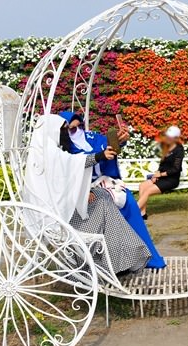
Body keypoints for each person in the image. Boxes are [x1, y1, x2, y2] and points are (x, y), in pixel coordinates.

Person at [23, 114, 152, 274]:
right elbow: (75, 163)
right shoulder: (48, 153)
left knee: (103, 197)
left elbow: (68, 173)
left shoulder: (48, 151)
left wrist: (85, 190)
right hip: (58, 218)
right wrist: (100, 156)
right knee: (105, 203)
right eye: (64, 129)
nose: (67, 133)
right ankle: (121, 259)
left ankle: (120, 259)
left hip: (64, 207)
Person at [58, 111, 166, 269]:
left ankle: (144, 256)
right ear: (64, 131)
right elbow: (68, 172)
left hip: (106, 184)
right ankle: (112, 262)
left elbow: (107, 144)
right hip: (83, 190)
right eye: (73, 129)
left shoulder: (91, 137)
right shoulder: (62, 149)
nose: (79, 131)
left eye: (80, 126)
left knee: (129, 202)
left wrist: (120, 140)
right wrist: (82, 190)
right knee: (104, 204)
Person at [137, 126, 185, 219]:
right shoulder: (166, 147)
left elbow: (176, 169)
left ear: (176, 138)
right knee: (142, 186)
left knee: (147, 191)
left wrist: (161, 174)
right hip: (161, 177)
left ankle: (132, 213)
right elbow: (162, 164)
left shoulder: (179, 150)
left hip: (171, 179)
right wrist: (156, 175)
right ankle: (142, 214)